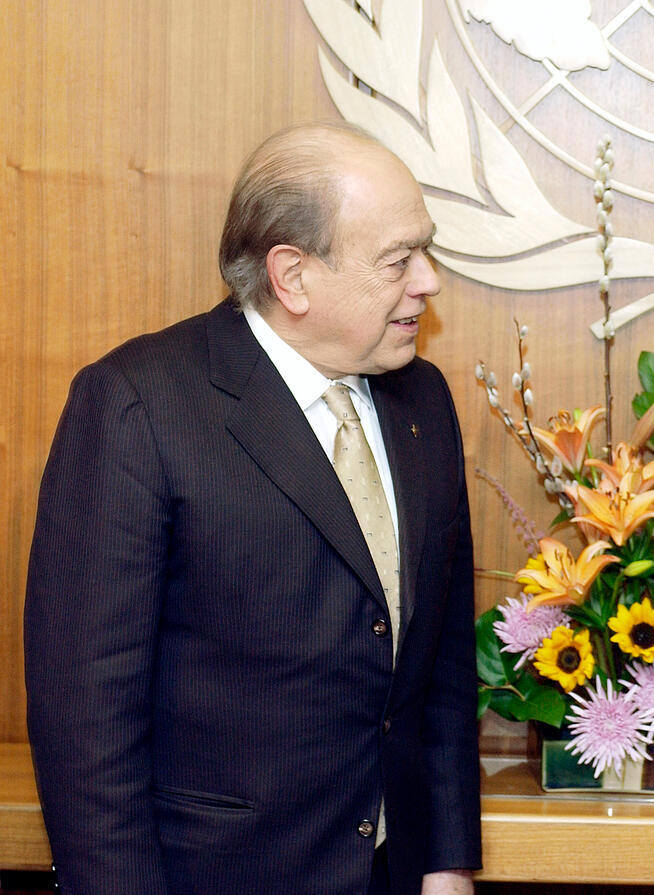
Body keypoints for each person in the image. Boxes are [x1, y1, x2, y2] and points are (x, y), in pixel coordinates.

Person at [25, 121, 480, 895]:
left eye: (425, 252)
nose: (428, 280)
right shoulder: (139, 407)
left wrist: (445, 860)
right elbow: (86, 727)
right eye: (399, 260)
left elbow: (439, 664)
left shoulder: (422, 400)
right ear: (292, 275)